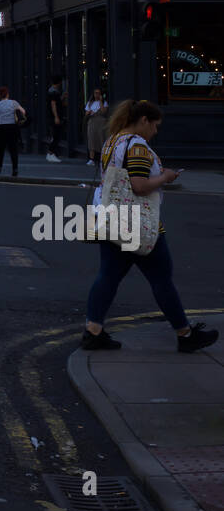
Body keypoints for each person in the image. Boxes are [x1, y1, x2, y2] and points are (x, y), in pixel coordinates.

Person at [82, 99, 219, 353]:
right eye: (154, 125)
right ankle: (185, 335)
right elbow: (139, 186)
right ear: (143, 120)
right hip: (138, 222)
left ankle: (93, 332)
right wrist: (165, 177)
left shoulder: (112, 141)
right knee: (161, 278)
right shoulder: (137, 146)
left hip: (110, 217)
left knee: (108, 276)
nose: (155, 132)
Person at [0, 86, 28, 177]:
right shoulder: (14, 103)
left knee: (0, 149)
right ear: (8, 94)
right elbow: (23, 112)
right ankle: (15, 169)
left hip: (1, 129)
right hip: (12, 128)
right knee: (13, 149)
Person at [84, 87, 109, 168]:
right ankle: (91, 159)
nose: (96, 95)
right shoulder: (90, 103)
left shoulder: (104, 102)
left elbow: (103, 112)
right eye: (95, 93)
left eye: (98, 93)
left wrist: (101, 101)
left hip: (101, 122)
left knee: (101, 138)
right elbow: (86, 113)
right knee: (92, 139)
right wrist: (89, 112)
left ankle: (103, 159)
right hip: (92, 122)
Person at [46, 76, 64, 162]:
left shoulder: (52, 91)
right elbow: (53, 105)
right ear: (59, 83)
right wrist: (56, 117)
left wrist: (62, 97)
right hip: (55, 117)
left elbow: (55, 102)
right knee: (56, 135)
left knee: (56, 135)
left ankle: (51, 153)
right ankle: (50, 153)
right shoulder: (54, 92)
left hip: (53, 116)